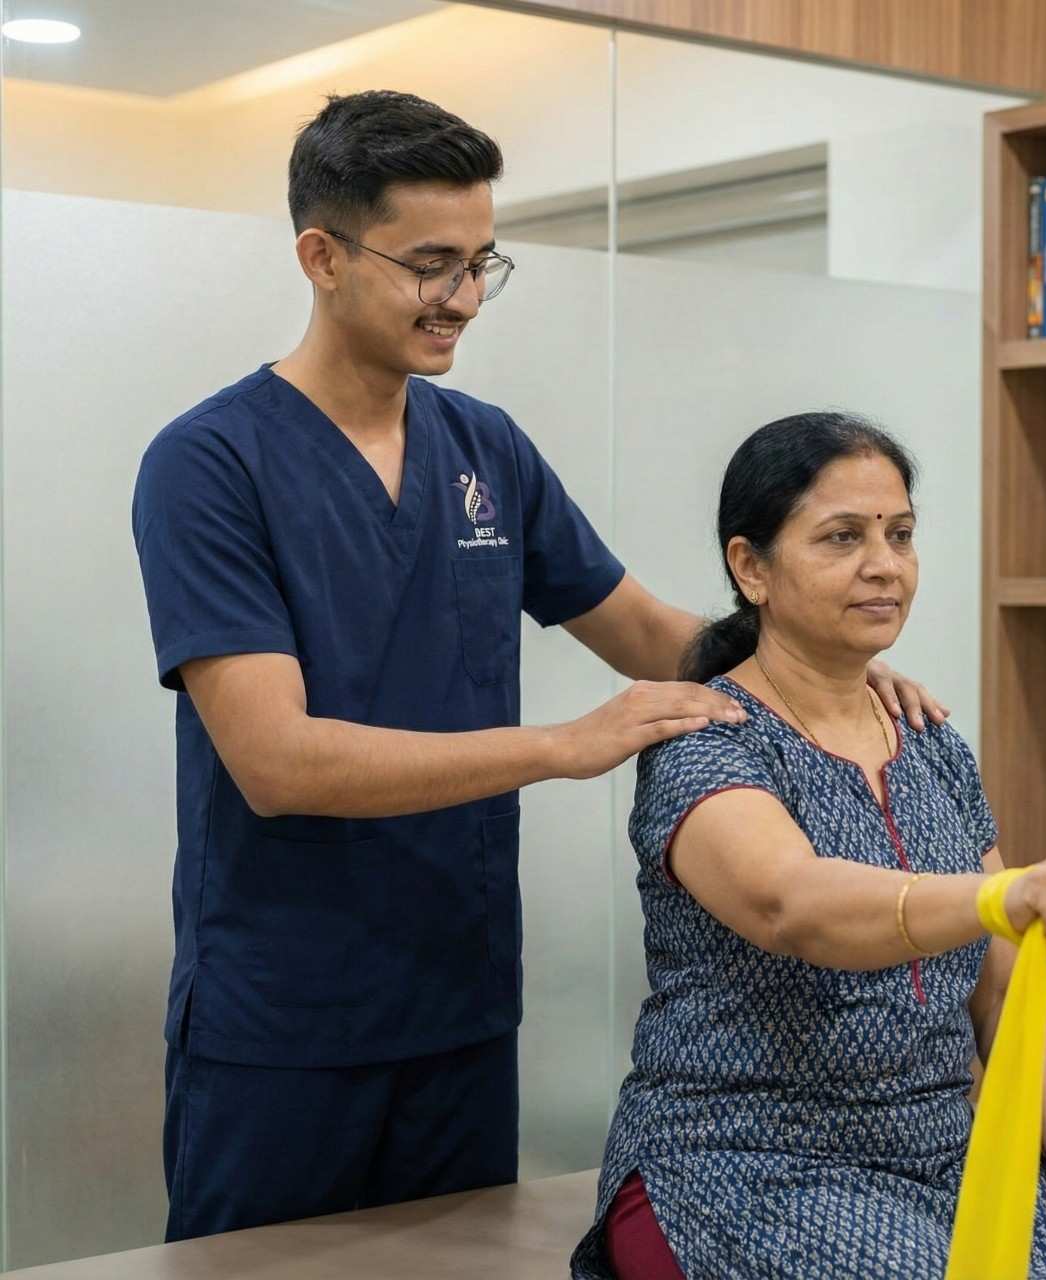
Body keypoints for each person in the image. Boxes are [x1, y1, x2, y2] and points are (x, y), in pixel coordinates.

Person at [131, 93, 944, 1241]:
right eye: (430, 264)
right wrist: (565, 746)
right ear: (320, 255)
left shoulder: (484, 449)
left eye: (480, 263)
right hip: (286, 1017)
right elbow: (274, 758)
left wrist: (826, 672)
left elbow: (654, 633)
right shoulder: (210, 464)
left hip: (460, 998)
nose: (462, 299)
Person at [571, 412, 1046, 1280]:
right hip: (742, 1166)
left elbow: (1003, 981)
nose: (884, 565)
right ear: (753, 568)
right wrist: (997, 899)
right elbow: (795, 904)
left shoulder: (928, 739)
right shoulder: (706, 741)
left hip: (942, 1160)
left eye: (900, 535)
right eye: (842, 538)